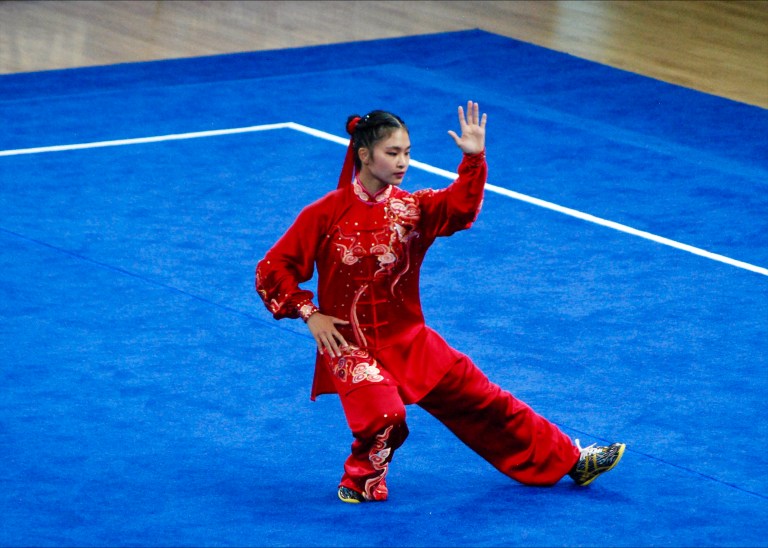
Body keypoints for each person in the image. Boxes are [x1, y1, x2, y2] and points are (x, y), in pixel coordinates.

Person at [255, 101, 624, 503]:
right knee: (385, 416)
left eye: (407, 153)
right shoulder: (324, 213)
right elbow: (273, 268)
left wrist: (473, 158)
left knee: (484, 399)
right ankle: (361, 479)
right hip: (349, 345)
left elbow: (461, 208)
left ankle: (571, 460)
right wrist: (310, 314)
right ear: (364, 155)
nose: (403, 163)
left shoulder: (413, 209)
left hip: (409, 340)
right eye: (392, 153)